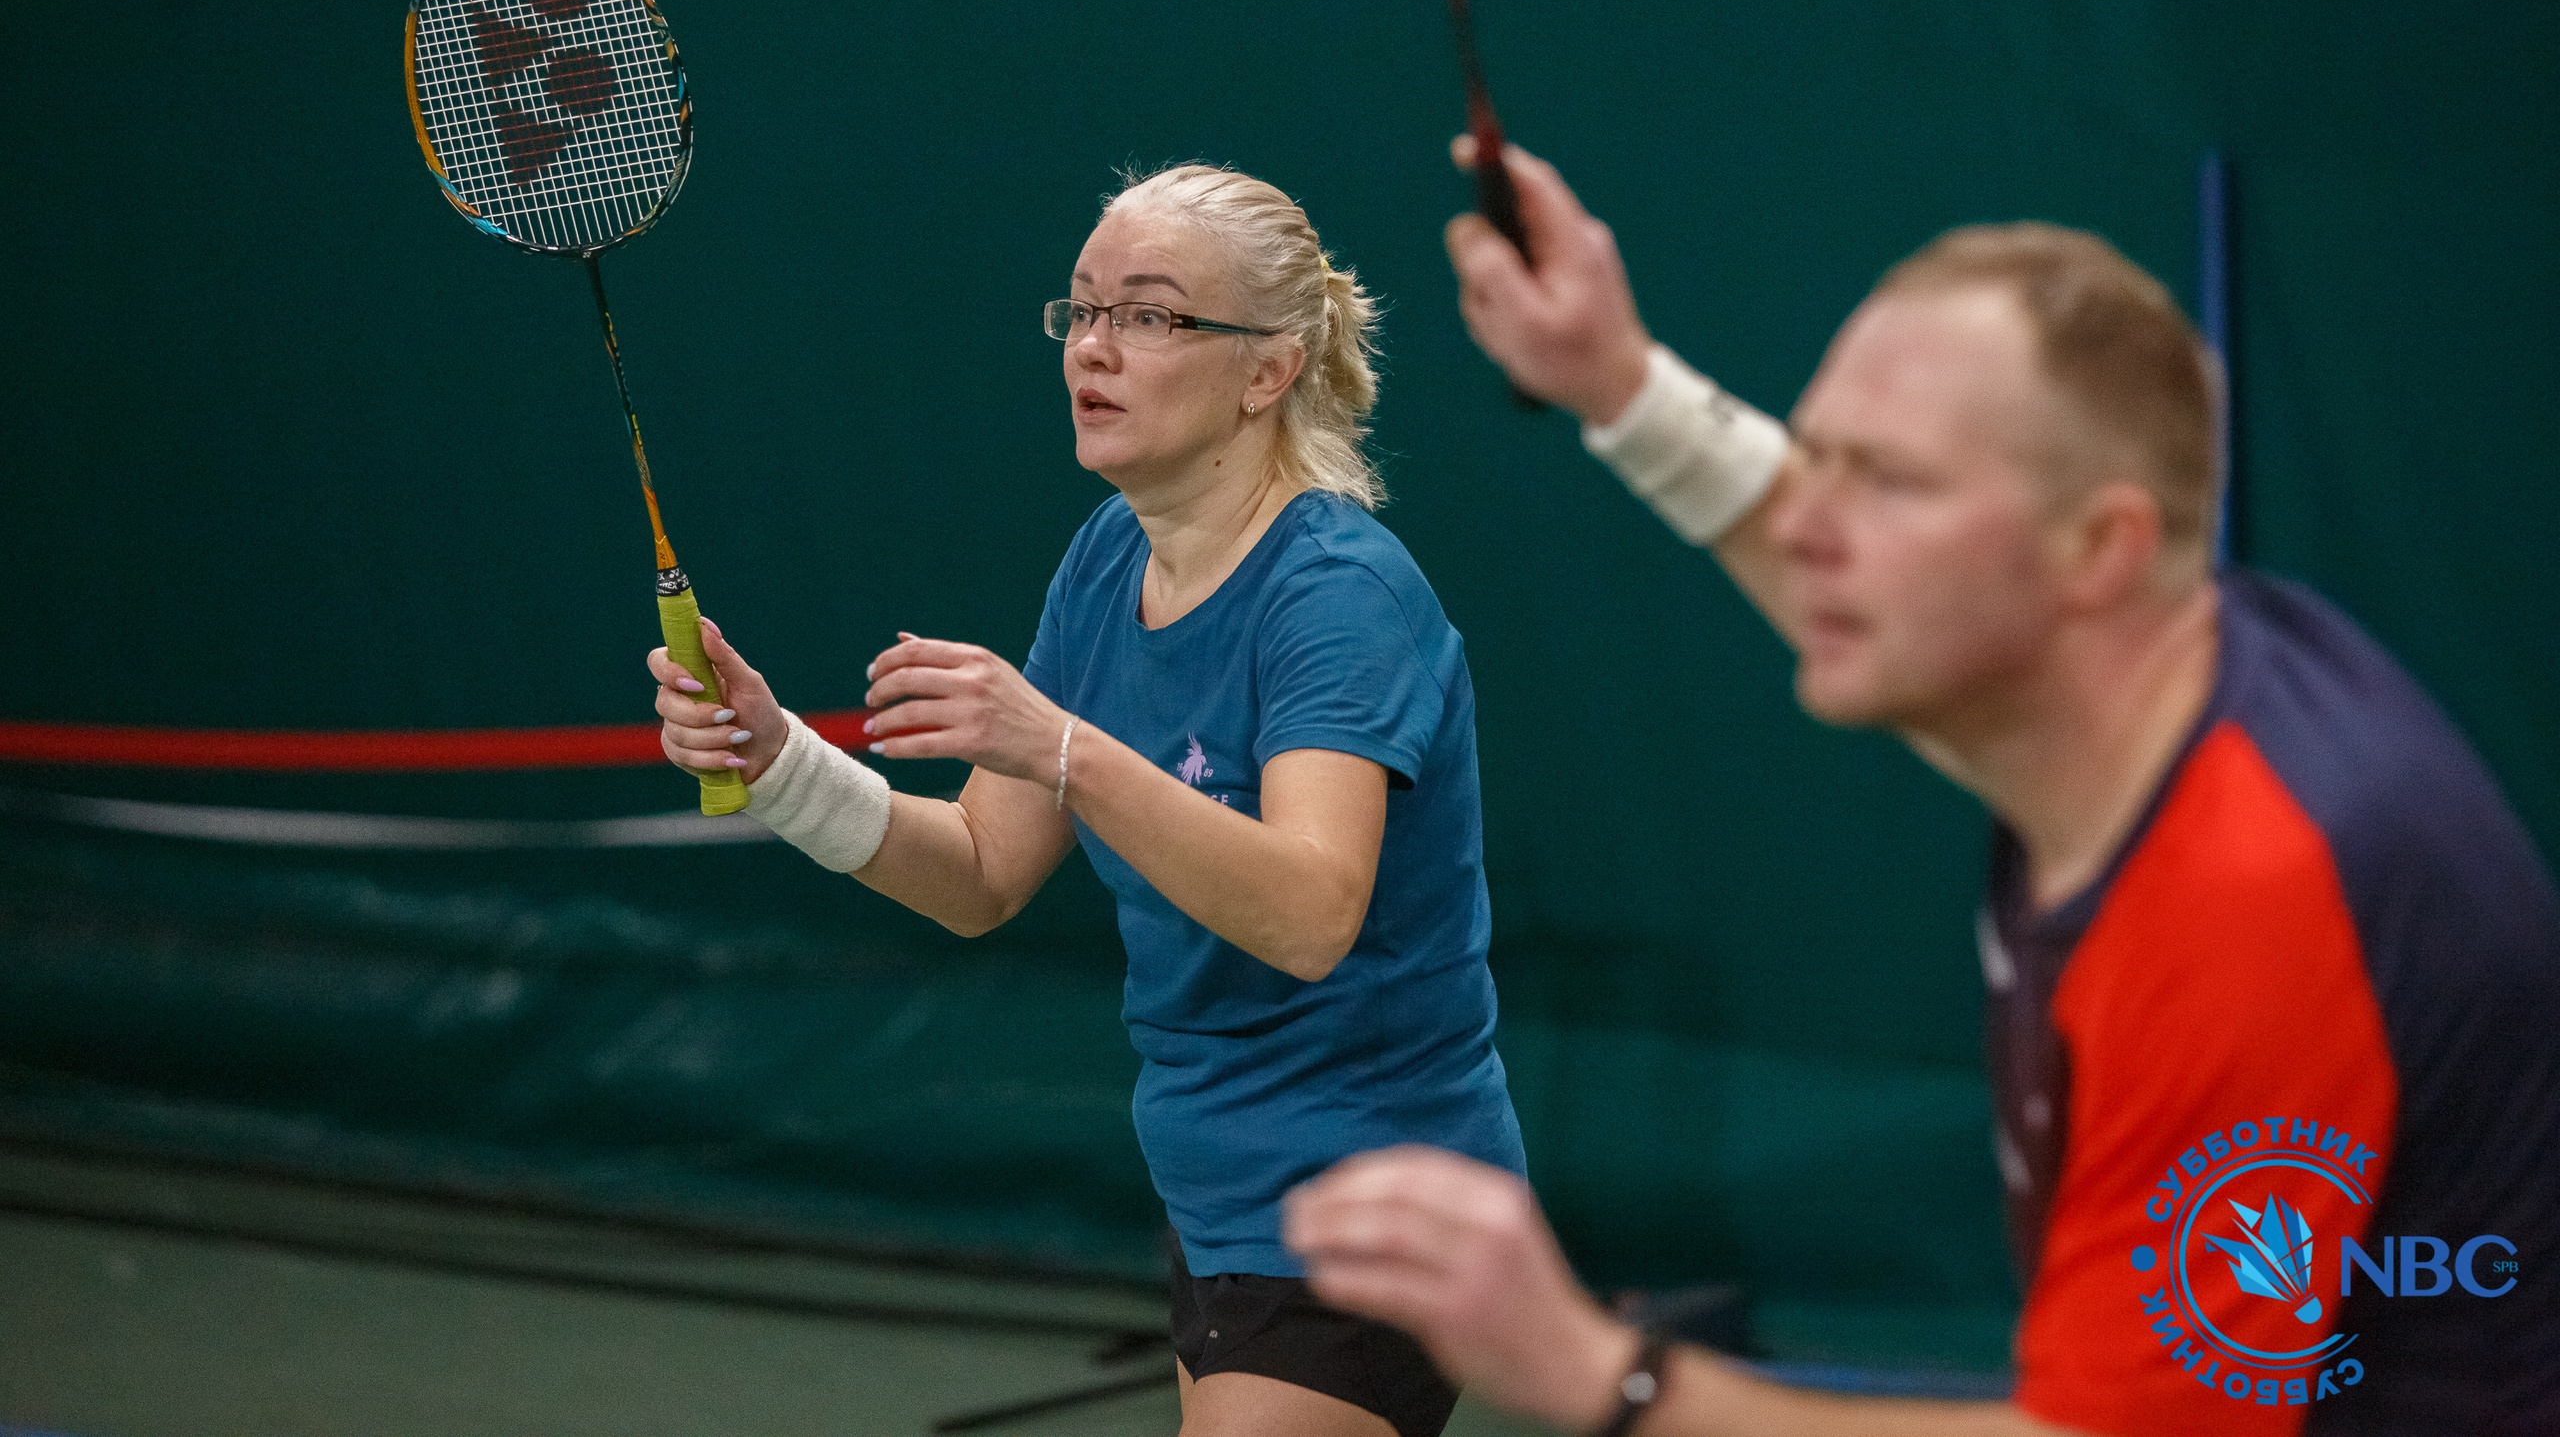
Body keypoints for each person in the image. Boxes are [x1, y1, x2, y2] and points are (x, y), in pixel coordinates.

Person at [1281, 142, 2560, 1436]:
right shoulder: (2154, 680)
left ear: (2099, 545)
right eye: (1820, 456)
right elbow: (1884, 589)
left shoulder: (2248, 901)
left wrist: (1598, 1373)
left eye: (1884, 479)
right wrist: (1617, 379)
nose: (1806, 525)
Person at [650, 164, 1524, 1437]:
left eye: (1154, 316)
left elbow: (1311, 912)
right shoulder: (1111, 552)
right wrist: (783, 761)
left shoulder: (1337, 598)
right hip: (1216, 1190)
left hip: (1371, 1203)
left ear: (1267, 369)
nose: (1097, 349)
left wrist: (1064, 747)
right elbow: (981, 874)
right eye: (1082, 311)